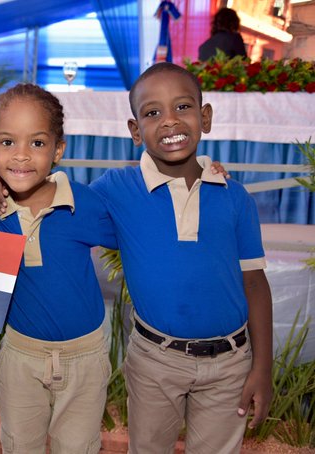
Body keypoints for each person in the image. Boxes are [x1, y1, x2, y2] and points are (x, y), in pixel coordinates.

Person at [90, 62, 272, 453]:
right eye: (153, 112)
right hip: (155, 361)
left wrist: (263, 368)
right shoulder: (116, 189)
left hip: (230, 363)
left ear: (205, 118)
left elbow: (255, 282)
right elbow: (57, 206)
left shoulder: (235, 197)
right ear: (135, 130)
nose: (170, 120)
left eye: (183, 107)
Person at [0, 83, 117, 453]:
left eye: (37, 143)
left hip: (85, 358)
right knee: (18, 445)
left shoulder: (85, 204)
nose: (21, 155)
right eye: (8, 142)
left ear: (58, 150)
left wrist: (204, 170)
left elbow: (142, 224)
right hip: (20, 356)